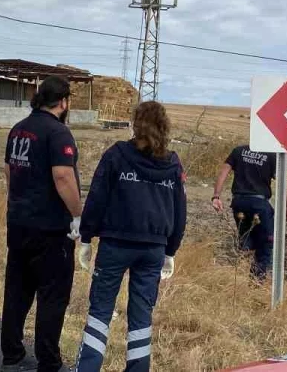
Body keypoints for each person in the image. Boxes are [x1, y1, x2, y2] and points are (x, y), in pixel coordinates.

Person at [74, 101, 187, 372]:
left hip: (115, 244)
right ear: (164, 126)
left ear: (136, 124)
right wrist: (170, 250)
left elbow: (97, 197)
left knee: (100, 312)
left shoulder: (117, 155)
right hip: (153, 251)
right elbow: (179, 211)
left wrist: (87, 237)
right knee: (141, 318)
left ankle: (87, 368)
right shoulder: (172, 164)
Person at [1, 76, 83, 372]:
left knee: (17, 291)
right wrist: (77, 214)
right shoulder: (58, 133)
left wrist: (19, 200)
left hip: (19, 223)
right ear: (63, 101)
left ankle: (11, 355)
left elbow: (9, 170)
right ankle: (49, 362)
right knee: (52, 296)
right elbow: (63, 176)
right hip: (50, 229)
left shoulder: (18, 129)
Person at [210, 144, 284, 280]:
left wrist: (216, 196)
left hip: (239, 202)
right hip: (259, 204)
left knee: (246, 236)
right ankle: (257, 280)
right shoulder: (272, 156)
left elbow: (224, 172)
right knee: (266, 242)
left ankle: (242, 264)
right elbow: (283, 182)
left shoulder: (239, 150)